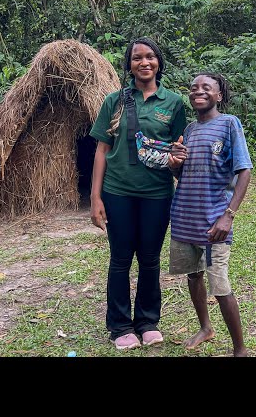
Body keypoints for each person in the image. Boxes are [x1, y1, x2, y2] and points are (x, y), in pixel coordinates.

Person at [89, 36, 187, 350]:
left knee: (149, 259)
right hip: (117, 192)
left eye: (150, 57)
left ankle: (147, 321)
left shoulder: (173, 103)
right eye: (136, 58)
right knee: (120, 259)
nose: (144, 62)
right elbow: (102, 150)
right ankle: (119, 326)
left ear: (159, 61)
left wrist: (175, 163)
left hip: (157, 194)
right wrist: (95, 198)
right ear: (129, 65)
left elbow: (178, 151)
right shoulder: (114, 101)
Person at [168, 72, 253, 357]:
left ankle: (239, 349)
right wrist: (174, 163)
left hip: (214, 222)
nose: (198, 92)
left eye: (207, 88)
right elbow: (182, 174)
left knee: (220, 286)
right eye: (194, 88)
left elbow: (244, 170)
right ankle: (206, 327)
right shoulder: (189, 130)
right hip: (184, 219)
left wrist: (228, 215)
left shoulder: (230, 124)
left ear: (219, 96)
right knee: (193, 277)